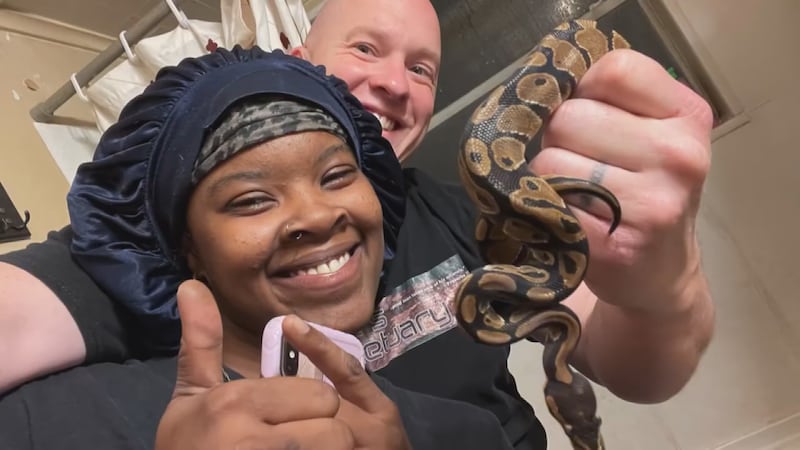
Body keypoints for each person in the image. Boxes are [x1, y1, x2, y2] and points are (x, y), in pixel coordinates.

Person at [0, 0, 715, 447]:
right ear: (300, 62)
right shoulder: (155, 248)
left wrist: (666, 283)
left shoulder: (470, 206)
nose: (397, 83)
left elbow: (640, 368)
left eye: (425, 69)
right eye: (366, 48)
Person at [0, 46, 515, 450]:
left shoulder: (469, 433)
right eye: (250, 200)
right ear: (189, 250)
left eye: (337, 175)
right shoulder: (53, 420)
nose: (317, 215)